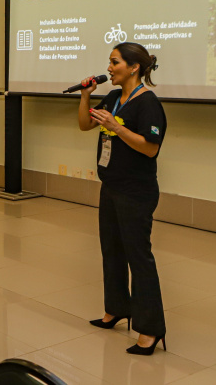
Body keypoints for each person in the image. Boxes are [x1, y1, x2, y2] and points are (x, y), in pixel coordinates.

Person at [77, 42, 167, 356]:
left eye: (115, 62)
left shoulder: (148, 103)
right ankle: (116, 309)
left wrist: (116, 127)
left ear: (134, 67)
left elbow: (150, 147)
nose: (109, 68)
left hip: (136, 192)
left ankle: (150, 329)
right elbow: (85, 124)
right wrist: (86, 96)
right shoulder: (115, 96)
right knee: (112, 251)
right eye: (109, 61)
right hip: (111, 186)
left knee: (138, 258)